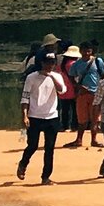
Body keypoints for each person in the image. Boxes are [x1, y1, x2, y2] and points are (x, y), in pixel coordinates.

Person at [18, 50, 68, 183]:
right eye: (47, 63)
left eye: (52, 63)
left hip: (52, 116)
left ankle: (46, 176)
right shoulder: (31, 77)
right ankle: (23, 163)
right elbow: (25, 98)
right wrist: (25, 116)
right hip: (35, 116)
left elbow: (62, 91)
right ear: (41, 63)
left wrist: (51, 77)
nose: (49, 66)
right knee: (33, 145)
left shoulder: (57, 76)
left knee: (49, 148)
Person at [66, 43, 104, 148]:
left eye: (88, 50)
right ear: (81, 51)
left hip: (95, 93)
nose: (86, 53)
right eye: (84, 50)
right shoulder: (77, 64)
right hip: (82, 94)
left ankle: (94, 140)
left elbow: (103, 76)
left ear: (91, 51)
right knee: (82, 119)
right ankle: (79, 140)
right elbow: (70, 76)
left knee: (95, 119)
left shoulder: (98, 61)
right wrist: (78, 86)